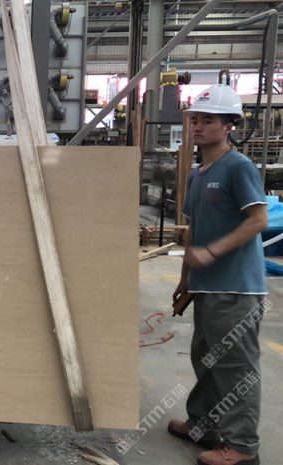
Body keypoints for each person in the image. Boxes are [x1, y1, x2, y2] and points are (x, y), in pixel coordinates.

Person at [168, 84, 268, 465]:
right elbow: (193, 229)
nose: (197, 126)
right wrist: (186, 277)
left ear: (229, 126)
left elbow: (257, 220)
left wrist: (213, 252)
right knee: (207, 359)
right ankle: (203, 425)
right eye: (195, 119)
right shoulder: (197, 174)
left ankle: (242, 447)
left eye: (208, 120)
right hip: (207, 287)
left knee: (235, 366)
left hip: (237, 288)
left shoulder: (238, 167)